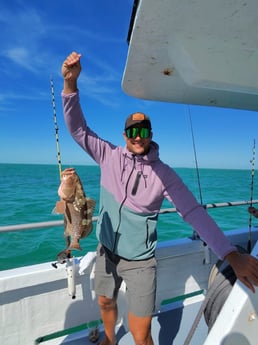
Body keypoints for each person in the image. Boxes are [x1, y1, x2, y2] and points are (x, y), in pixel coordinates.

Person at [61, 52, 258, 345]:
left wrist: (231, 255)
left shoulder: (164, 174)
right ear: (124, 134)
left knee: (141, 334)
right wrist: (70, 85)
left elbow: (194, 213)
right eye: (132, 131)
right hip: (106, 252)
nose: (137, 137)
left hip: (140, 262)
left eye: (142, 131)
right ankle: (110, 339)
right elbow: (78, 129)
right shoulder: (108, 155)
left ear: (150, 135)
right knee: (105, 303)